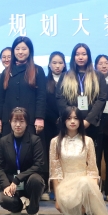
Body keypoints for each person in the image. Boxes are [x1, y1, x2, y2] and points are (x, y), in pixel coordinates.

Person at [49, 106, 108, 215]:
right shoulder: (55, 142)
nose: (72, 121)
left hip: (85, 182)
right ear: (63, 120)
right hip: (66, 184)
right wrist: (57, 198)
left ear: (81, 121)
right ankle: (79, 211)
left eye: (76, 118)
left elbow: (92, 170)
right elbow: (55, 172)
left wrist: (93, 193)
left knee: (85, 182)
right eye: (69, 118)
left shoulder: (88, 141)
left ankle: (86, 210)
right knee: (66, 204)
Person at [56, 43, 107, 162]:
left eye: (84, 54)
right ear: (73, 57)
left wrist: (88, 120)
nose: (80, 57)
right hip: (71, 125)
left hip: (92, 125)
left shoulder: (98, 76)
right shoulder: (65, 76)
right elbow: (60, 98)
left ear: (88, 56)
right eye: (77, 54)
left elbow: (101, 99)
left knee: (92, 159)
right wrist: (72, 118)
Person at [0, 107, 45, 215]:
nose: (18, 125)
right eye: (15, 121)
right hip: (11, 184)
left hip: (28, 182)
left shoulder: (35, 140)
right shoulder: (3, 141)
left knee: (36, 180)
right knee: (4, 200)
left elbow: (38, 165)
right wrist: (6, 185)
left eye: (22, 121)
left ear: (27, 123)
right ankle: (17, 207)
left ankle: (32, 210)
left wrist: (18, 179)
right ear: (10, 122)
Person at [0, 37, 46, 136]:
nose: (20, 52)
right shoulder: (6, 72)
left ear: (30, 51)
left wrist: (39, 117)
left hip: (30, 120)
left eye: (24, 49)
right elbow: (0, 98)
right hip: (9, 120)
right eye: (17, 49)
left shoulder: (37, 70)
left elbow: (41, 97)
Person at [43, 51, 67, 200]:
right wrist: (54, 119)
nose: (57, 66)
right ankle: (48, 187)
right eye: (54, 63)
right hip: (49, 123)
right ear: (49, 65)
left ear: (64, 65)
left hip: (67, 123)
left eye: (60, 63)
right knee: (49, 154)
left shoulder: (70, 80)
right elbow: (43, 103)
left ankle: (64, 187)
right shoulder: (44, 81)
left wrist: (64, 118)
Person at [94, 54, 108, 201]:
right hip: (96, 125)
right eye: (100, 63)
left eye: (106, 63)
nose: (103, 66)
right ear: (95, 66)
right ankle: (96, 190)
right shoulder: (92, 82)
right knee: (94, 159)